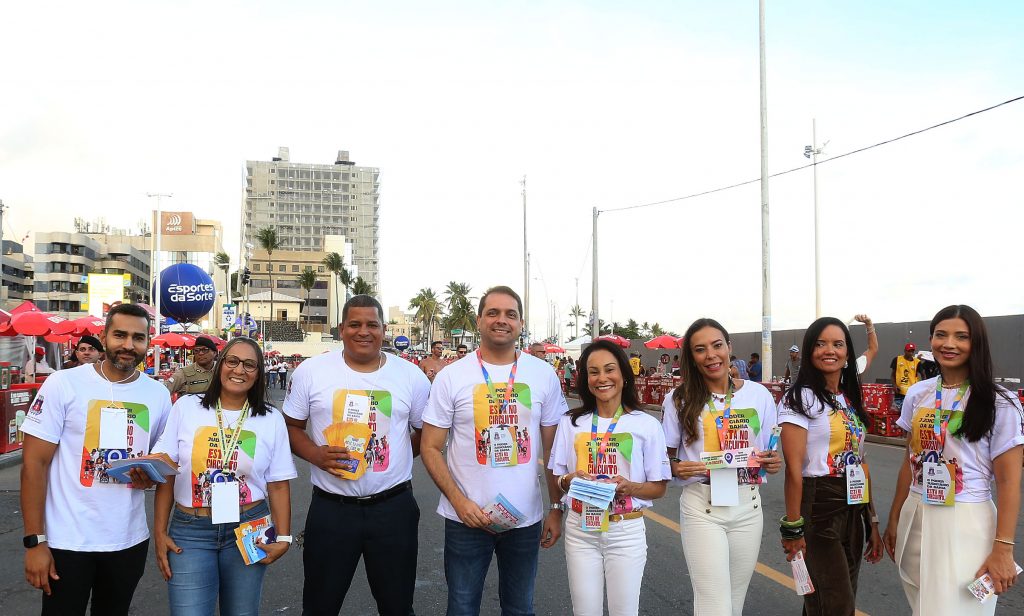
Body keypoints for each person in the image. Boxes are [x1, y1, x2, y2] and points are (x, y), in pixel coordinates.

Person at [421, 286, 568, 616]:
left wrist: (557, 508)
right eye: (493, 313)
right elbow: (429, 447)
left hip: (524, 520)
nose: (502, 320)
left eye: (510, 314)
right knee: (461, 607)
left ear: (520, 324)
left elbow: (554, 450)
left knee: (519, 608)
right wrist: (460, 503)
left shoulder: (542, 374)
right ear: (478, 321)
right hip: (466, 520)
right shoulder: (452, 377)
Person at [20, 303, 172, 615]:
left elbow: (162, 464)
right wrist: (35, 541)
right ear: (104, 336)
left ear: (148, 342)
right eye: (120, 335)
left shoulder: (157, 395)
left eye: (138, 338)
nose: (129, 345)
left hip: (128, 541)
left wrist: (148, 477)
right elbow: (34, 464)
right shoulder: (64, 384)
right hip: (67, 542)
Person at [284, 294, 431, 615]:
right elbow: (292, 426)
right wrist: (316, 455)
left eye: (372, 325)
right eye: (355, 324)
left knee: (397, 607)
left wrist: (398, 457)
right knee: (320, 606)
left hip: (393, 509)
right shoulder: (312, 371)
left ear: (384, 329)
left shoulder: (410, 376)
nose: (363, 331)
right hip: (332, 509)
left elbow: (426, 433)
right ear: (341, 329)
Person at [883, 305, 1023, 615]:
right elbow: (910, 460)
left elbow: (1009, 480)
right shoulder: (918, 394)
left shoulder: (1000, 401)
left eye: (962, 336)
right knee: (922, 606)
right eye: (941, 335)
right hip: (915, 513)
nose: (949, 344)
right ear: (930, 339)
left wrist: (1003, 547)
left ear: (977, 343)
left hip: (965, 521)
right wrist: (895, 517)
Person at [152, 337, 297, 614]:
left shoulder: (270, 418)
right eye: (232, 361)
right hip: (191, 531)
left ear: (259, 373)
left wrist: (285, 538)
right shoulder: (187, 407)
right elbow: (167, 473)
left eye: (249, 365)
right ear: (220, 365)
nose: (239, 370)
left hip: (248, 528)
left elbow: (278, 484)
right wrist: (159, 532)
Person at [663, 318, 782, 616]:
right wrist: (675, 466)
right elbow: (663, 458)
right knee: (714, 606)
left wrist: (772, 461)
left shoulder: (759, 395)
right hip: (702, 507)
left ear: (729, 348)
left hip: (748, 507)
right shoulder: (678, 399)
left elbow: (769, 450)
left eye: (717, 346)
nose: (711, 355)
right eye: (700, 349)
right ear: (692, 357)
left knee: (734, 603)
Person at [549, 339, 671, 616]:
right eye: (593, 372)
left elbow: (659, 487)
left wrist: (631, 487)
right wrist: (568, 481)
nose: (602, 378)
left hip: (625, 531)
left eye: (609, 369)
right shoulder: (571, 422)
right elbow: (559, 479)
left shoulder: (647, 425)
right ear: (586, 379)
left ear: (624, 375)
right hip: (581, 529)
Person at [778, 317, 883, 615]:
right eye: (821, 343)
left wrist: (871, 520)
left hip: (853, 506)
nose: (829, 350)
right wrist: (793, 529)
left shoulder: (848, 399)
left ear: (848, 354)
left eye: (838, 344)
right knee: (836, 604)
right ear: (810, 351)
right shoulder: (799, 399)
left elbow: (861, 463)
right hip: (818, 509)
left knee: (828, 600)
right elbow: (794, 470)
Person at [890, 343, 921, 411]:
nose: (910, 353)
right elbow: (892, 375)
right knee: (897, 412)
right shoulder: (897, 359)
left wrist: (921, 388)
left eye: (912, 351)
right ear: (905, 351)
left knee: (908, 412)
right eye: (909, 351)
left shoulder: (917, 362)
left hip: (911, 392)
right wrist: (894, 385)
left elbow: (923, 375)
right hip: (899, 392)